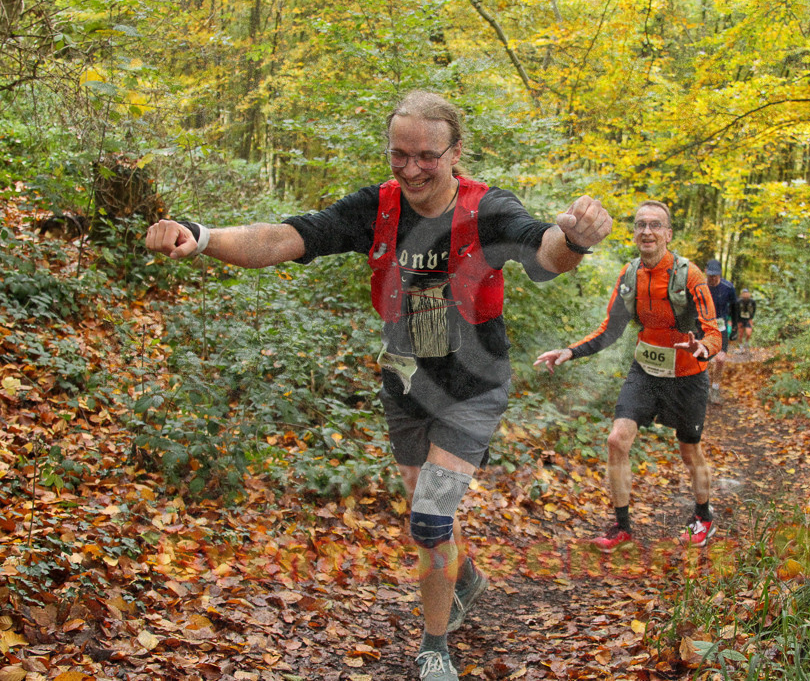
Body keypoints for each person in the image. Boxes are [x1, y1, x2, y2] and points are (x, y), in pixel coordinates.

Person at [145, 90, 613, 681]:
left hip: (473, 388)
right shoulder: (378, 207)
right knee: (427, 504)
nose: (412, 169)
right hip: (405, 381)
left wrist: (574, 238)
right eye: (399, 155)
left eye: (427, 156)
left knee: (430, 519)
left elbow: (544, 253)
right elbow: (285, 238)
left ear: (455, 152)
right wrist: (203, 235)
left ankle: (435, 647)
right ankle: (465, 576)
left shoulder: (487, 210)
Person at [534, 200, 721, 553]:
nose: (647, 231)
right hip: (646, 371)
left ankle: (703, 516)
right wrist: (570, 351)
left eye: (655, 225)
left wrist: (703, 348)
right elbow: (611, 329)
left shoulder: (690, 275)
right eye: (640, 225)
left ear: (668, 234)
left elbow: (714, 332)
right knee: (616, 441)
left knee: (689, 450)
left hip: (687, 375)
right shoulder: (630, 275)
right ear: (634, 233)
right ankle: (622, 528)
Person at [704, 259, 737, 404]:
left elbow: (735, 308)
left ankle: (715, 389)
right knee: (702, 359)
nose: (712, 278)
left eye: (715, 276)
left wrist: (734, 327)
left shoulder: (728, 287)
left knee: (720, 359)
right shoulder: (700, 285)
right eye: (710, 275)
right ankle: (703, 388)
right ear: (706, 272)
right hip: (703, 325)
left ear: (720, 274)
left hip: (720, 326)